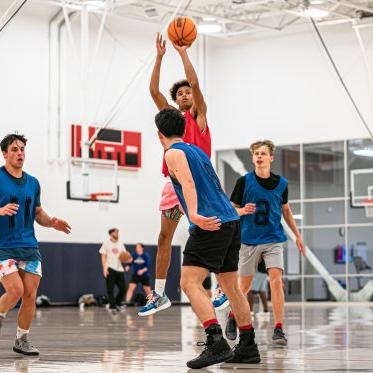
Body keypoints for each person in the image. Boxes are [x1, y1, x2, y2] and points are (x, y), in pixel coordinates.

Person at [155, 108, 260, 369]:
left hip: (210, 223)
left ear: (159, 134)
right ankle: (248, 346)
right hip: (230, 221)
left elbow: (188, 184)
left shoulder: (172, 153)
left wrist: (194, 214)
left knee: (189, 282)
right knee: (231, 286)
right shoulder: (197, 151)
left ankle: (216, 343)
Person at [139, 33, 212, 316]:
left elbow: (194, 82)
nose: (184, 94)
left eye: (187, 92)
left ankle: (220, 286)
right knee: (163, 237)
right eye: (179, 93)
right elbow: (154, 92)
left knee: (204, 233)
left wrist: (182, 53)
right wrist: (159, 57)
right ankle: (159, 293)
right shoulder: (172, 120)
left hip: (199, 182)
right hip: (174, 184)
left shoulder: (200, 116)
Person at [223, 140, 305, 345]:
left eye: (263, 153)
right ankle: (233, 316)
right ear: (252, 158)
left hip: (273, 239)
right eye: (256, 154)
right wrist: (243, 210)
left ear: (271, 158)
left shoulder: (282, 184)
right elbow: (230, 210)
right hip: (248, 240)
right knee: (244, 287)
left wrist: (297, 235)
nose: (259, 156)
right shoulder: (244, 182)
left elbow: (286, 210)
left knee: (276, 281)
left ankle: (278, 328)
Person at [0, 133, 71, 355]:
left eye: (22, 149)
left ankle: (22, 340)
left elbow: (38, 212)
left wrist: (51, 222)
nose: (20, 153)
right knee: (15, 291)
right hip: (3, 247)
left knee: (30, 294)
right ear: (4, 154)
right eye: (14, 149)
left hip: (29, 247)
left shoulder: (33, 183)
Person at [99, 228, 128, 314]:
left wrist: (127, 260)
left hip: (119, 269)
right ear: (111, 234)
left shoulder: (121, 244)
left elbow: (124, 256)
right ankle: (112, 306)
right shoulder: (106, 244)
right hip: (110, 269)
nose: (118, 234)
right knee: (110, 289)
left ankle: (117, 303)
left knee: (123, 289)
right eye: (116, 232)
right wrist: (104, 268)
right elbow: (103, 256)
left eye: (118, 232)